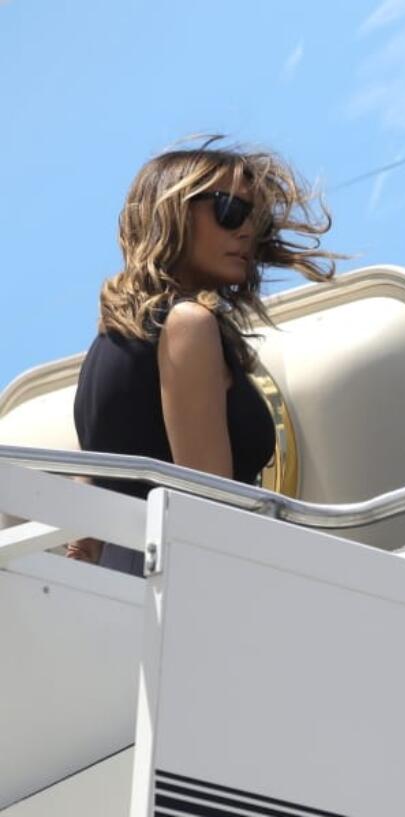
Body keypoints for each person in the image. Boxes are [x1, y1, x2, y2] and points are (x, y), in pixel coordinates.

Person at [67, 139, 339, 574]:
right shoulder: (188, 324)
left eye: (256, 220)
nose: (247, 232)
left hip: (129, 583)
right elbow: (208, 509)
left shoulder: (107, 345)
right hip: (185, 584)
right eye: (230, 211)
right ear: (172, 213)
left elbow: (90, 504)